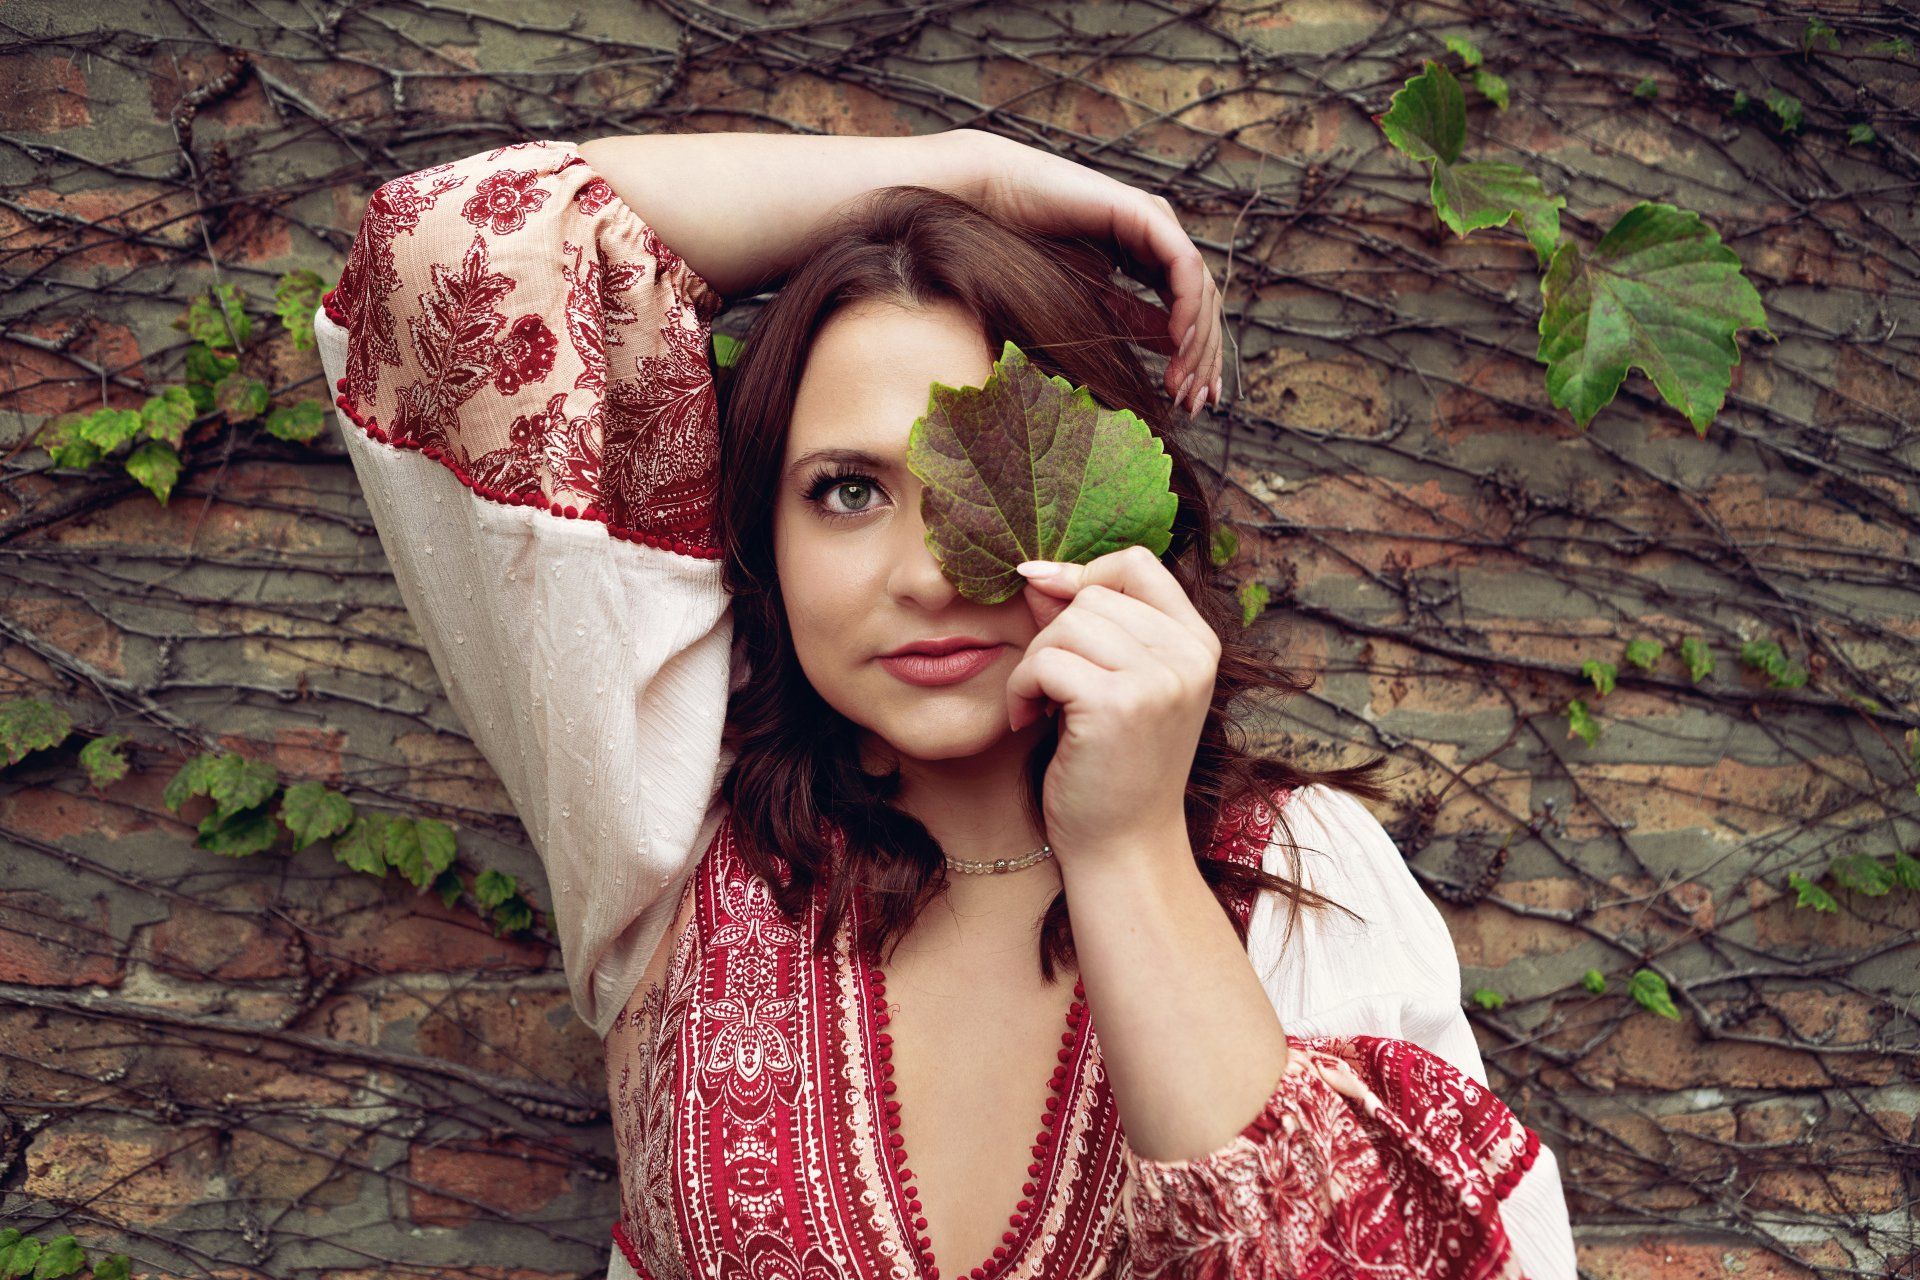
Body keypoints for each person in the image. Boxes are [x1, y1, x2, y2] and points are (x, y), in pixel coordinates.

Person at [313, 129, 1578, 1280]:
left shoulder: (1296, 880)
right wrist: (958, 174)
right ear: (763, 537)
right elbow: (452, 246)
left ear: (1117, 512)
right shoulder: (665, 810)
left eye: (983, 485)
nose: (924, 576)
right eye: (847, 492)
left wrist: (1129, 848)